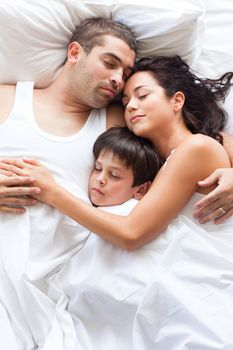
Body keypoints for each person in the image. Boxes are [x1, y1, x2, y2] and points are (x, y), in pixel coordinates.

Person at [3, 55, 233, 349]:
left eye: (142, 95)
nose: (131, 106)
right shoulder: (155, 162)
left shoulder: (197, 147)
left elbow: (131, 233)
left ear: (177, 101)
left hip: (198, 282)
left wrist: (51, 191)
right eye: (125, 102)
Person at [0, 16, 136, 213]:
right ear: (74, 53)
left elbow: (171, 153)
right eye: (109, 63)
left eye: (125, 75)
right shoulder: (6, 99)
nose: (118, 80)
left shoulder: (117, 120)